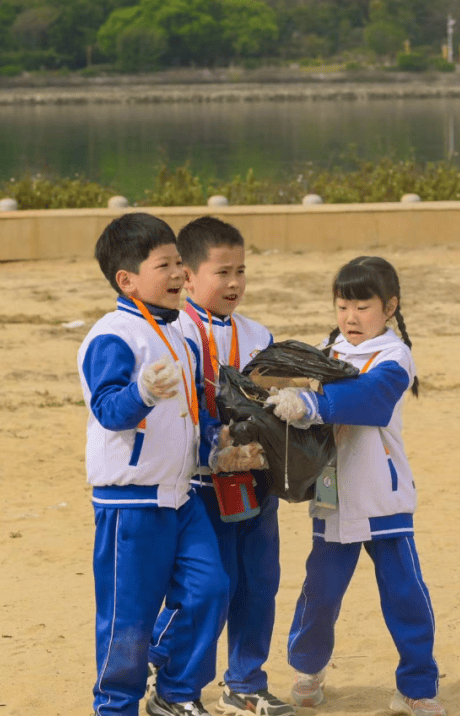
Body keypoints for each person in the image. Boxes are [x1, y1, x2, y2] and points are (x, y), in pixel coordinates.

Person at [78, 212, 265, 716]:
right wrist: (139, 393)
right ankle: (116, 705)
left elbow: (196, 415)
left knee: (211, 589)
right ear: (128, 279)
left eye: (181, 262)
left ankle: (176, 694)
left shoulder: (178, 333)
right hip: (130, 502)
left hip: (179, 495)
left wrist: (217, 443)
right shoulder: (112, 334)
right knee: (127, 616)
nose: (181, 274)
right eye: (166, 265)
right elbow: (108, 411)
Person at [266, 256, 446, 716]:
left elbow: (371, 400)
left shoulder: (395, 355)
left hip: (383, 496)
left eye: (363, 306)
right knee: (320, 591)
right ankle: (308, 671)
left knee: (405, 594)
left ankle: (417, 688)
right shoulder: (326, 354)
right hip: (332, 494)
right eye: (342, 305)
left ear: (389, 307)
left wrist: (309, 402)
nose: (350, 317)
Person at [147, 216, 294, 716]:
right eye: (222, 272)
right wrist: (214, 446)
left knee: (259, 583)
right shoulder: (175, 332)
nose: (235, 283)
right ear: (187, 276)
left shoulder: (259, 334)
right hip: (200, 487)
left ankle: (246, 683)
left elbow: (272, 403)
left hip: (256, 480)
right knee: (209, 586)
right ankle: (172, 677)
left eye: (242, 271)